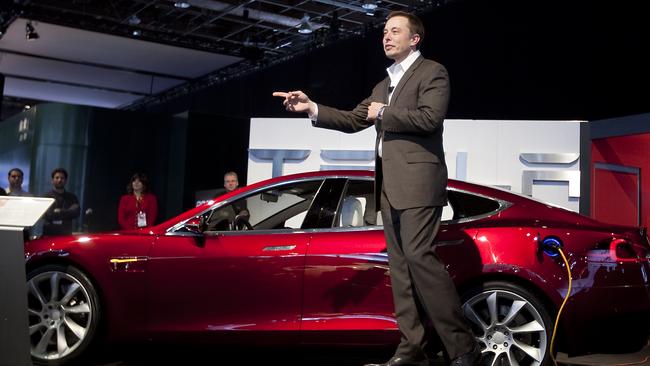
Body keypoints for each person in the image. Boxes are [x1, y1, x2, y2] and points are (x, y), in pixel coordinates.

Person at [273, 11, 480, 366]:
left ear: (415, 39)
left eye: (395, 31)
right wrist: (312, 107)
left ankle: (463, 348)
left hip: (419, 183)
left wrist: (383, 114)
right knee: (400, 269)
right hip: (389, 187)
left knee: (419, 259)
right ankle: (412, 350)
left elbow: (430, 118)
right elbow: (356, 119)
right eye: (384, 31)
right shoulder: (384, 84)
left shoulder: (432, 72)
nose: (386, 36)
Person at [43, 168, 80, 236]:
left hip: (66, 234)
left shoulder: (72, 197)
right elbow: (47, 215)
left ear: (66, 180)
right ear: (52, 180)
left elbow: (76, 213)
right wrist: (67, 212)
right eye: (57, 178)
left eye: (62, 178)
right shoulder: (46, 197)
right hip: (49, 234)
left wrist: (60, 211)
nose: (59, 180)